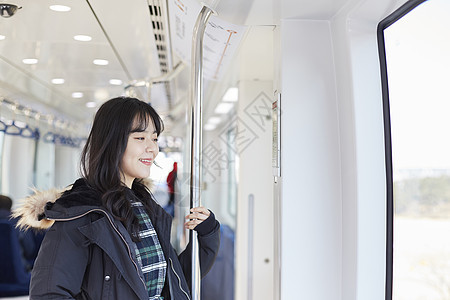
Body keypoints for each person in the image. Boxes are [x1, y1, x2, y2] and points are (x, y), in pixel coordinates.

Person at [13, 97, 220, 299]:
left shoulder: (147, 208)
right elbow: (50, 293)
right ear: (112, 142)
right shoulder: (80, 213)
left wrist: (207, 234)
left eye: (155, 139)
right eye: (140, 138)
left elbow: (172, 283)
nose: (153, 148)